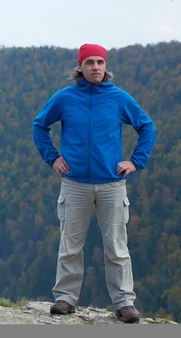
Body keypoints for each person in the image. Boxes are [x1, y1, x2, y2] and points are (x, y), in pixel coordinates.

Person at [32, 43, 157, 323]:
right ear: (80, 67)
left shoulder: (118, 98)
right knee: (70, 243)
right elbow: (39, 125)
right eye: (89, 62)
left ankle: (125, 302)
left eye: (100, 62)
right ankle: (65, 298)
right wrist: (52, 158)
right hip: (74, 183)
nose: (96, 67)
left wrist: (136, 161)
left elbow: (147, 126)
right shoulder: (65, 98)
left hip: (112, 184)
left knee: (116, 245)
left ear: (106, 66)